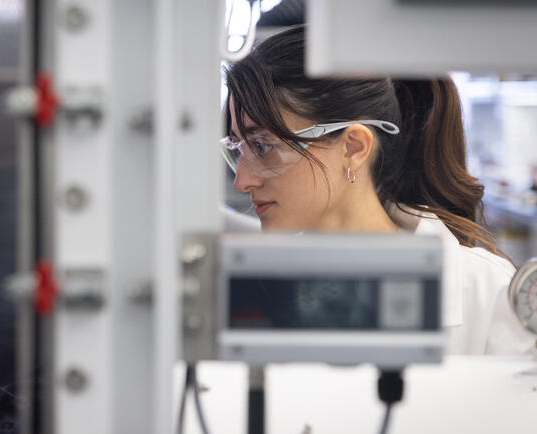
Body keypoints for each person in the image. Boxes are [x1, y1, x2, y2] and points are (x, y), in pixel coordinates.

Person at [221, 25, 533, 355]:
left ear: (353, 148)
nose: (243, 181)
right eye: (238, 150)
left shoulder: (488, 292)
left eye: (262, 145)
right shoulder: (256, 286)